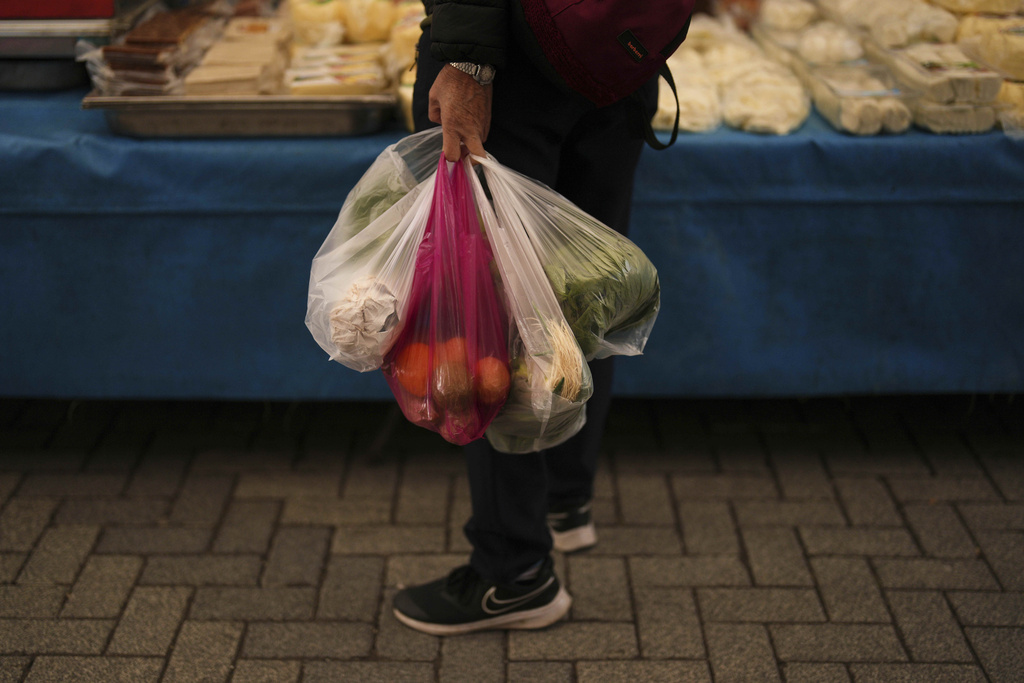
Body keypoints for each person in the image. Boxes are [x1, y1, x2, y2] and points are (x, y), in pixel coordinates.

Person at [391, 0, 660, 636]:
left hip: (512, 61)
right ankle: (566, 496)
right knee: (586, 292)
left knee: (490, 318)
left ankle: (512, 572)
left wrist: (466, 61)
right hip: (615, 46)